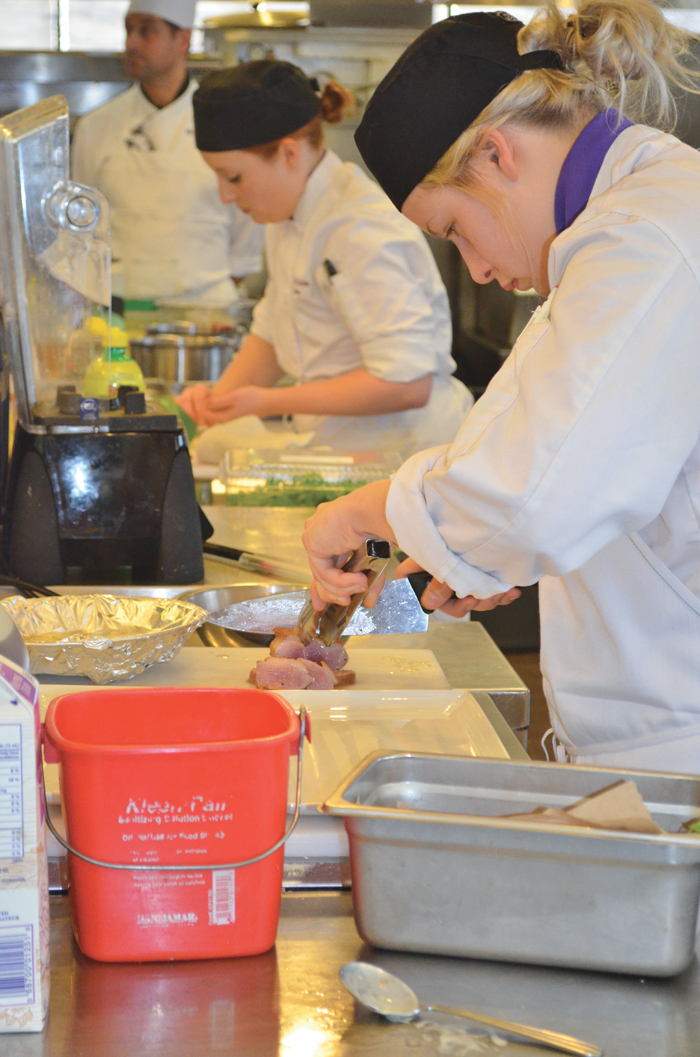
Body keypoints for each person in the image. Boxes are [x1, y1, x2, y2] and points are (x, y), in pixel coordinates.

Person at [302, 0, 700, 773]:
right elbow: (585, 467)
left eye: (454, 228)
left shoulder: (644, 239)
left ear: (495, 155)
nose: (479, 269)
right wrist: (472, 551)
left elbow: (535, 495)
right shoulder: (627, 222)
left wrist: (365, 511)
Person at [175, 59, 473, 455]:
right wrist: (215, 404)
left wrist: (266, 402)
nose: (226, 196)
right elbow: (273, 330)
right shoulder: (288, 215)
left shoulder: (359, 227)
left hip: (407, 455)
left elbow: (407, 382)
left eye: (233, 177)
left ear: (288, 154)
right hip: (344, 450)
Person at [71, 0, 263, 307]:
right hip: (116, 314)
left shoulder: (227, 122)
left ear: (183, 40)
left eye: (146, 31)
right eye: (128, 30)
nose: (130, 42)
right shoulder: (96, 127)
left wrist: (215, 285)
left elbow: (251, 220)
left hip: (206, 312)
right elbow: (77, 229)